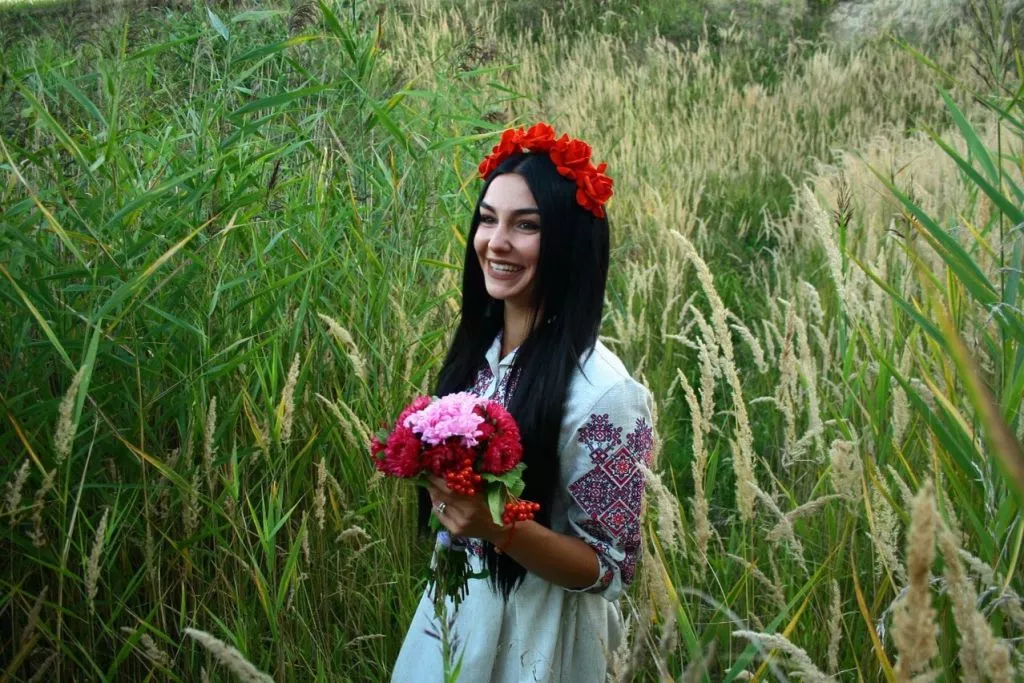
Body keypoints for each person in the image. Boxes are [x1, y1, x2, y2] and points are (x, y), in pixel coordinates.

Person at [391, 123, 655, 682]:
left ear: (568, 242)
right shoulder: (480, 355)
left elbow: (610, 568)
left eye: (526, 225)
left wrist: (500, 528)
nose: (496, 242)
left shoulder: (605, 392)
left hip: (540, 639)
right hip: (454, 620)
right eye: (488, 219)